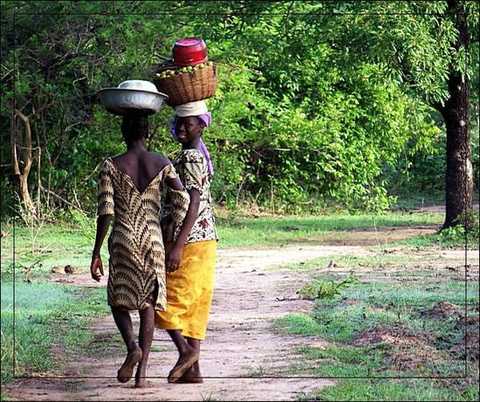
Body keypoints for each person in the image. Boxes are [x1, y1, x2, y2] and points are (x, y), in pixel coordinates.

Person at [90, 113, 191, 388]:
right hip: (153, 238)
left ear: (124, 132)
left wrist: (96, 251)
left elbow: (107, 211)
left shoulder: (111, 165)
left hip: (124, 237)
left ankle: (131, 346)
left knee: (117, 299)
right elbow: (183, 198)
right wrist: (170, 225)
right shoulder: (163, 163)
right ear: (147, 133)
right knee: (148, 303)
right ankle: (142, 374)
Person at [156, 100, 218, 384]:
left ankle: (186, 354)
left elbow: (193, 203)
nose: (181, 127)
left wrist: (177, 245)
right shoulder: (193, 154)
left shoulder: (191, 157)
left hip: (190, 241)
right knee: (194, 304)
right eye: (179, 123)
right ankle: (194, 371)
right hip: (205, 240)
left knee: (167, 302)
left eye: (188, 123)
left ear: (201, 126)